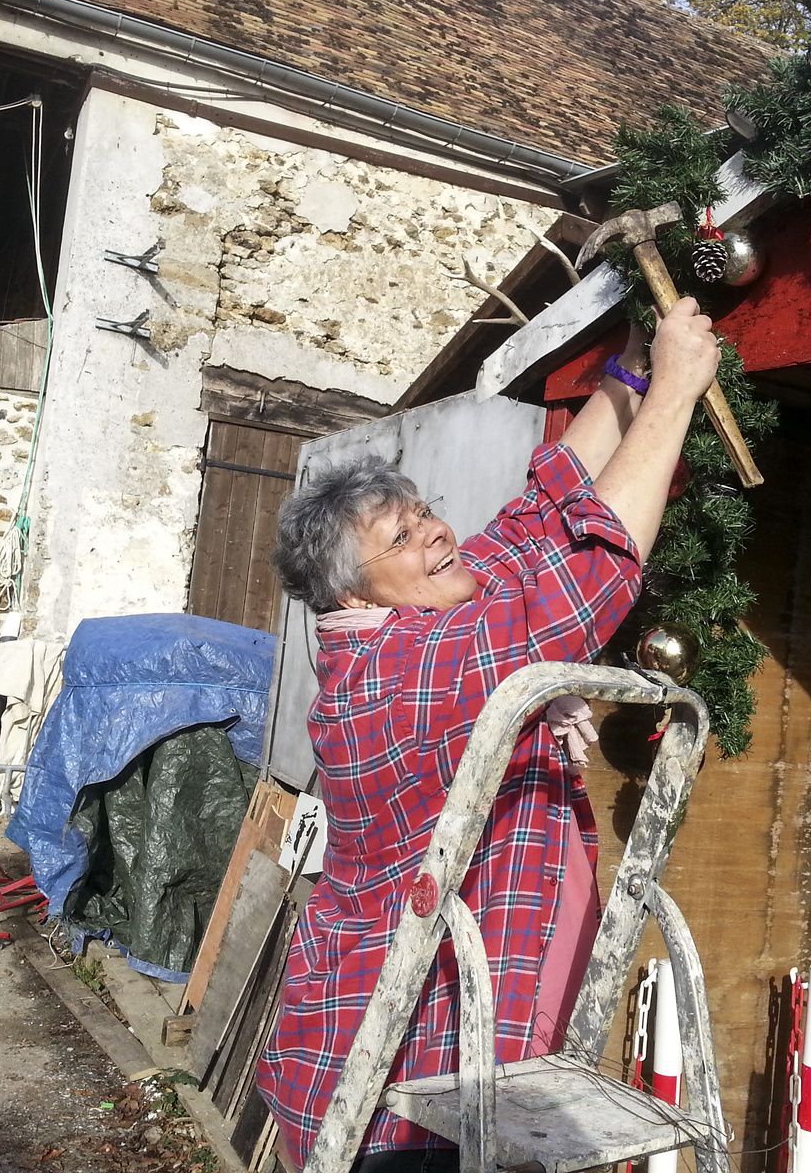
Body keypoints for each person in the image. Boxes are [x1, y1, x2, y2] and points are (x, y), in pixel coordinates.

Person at [257, 297, 721, 1172]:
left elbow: (530, 527)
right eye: (403, 535)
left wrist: (627, 372)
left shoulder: (422, 619)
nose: (437, 531)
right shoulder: (396, 672)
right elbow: (582, 586)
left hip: (432, 1055)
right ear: (353, 592)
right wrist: (676, 392)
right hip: (398, 1083)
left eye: (424, 511)